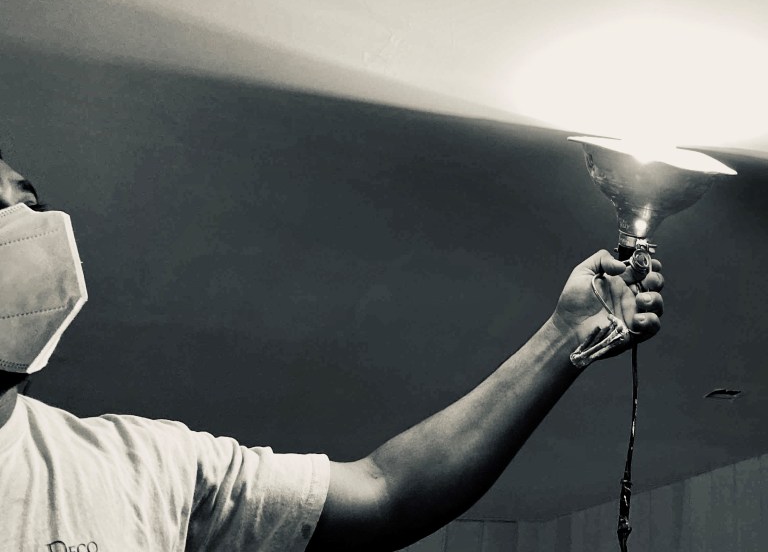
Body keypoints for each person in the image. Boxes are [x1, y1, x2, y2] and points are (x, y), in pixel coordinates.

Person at [0, 152, 663, 552]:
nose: (28, 227)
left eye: (29, 203)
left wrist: (564, 334)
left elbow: (385, 494)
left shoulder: (145, 466)